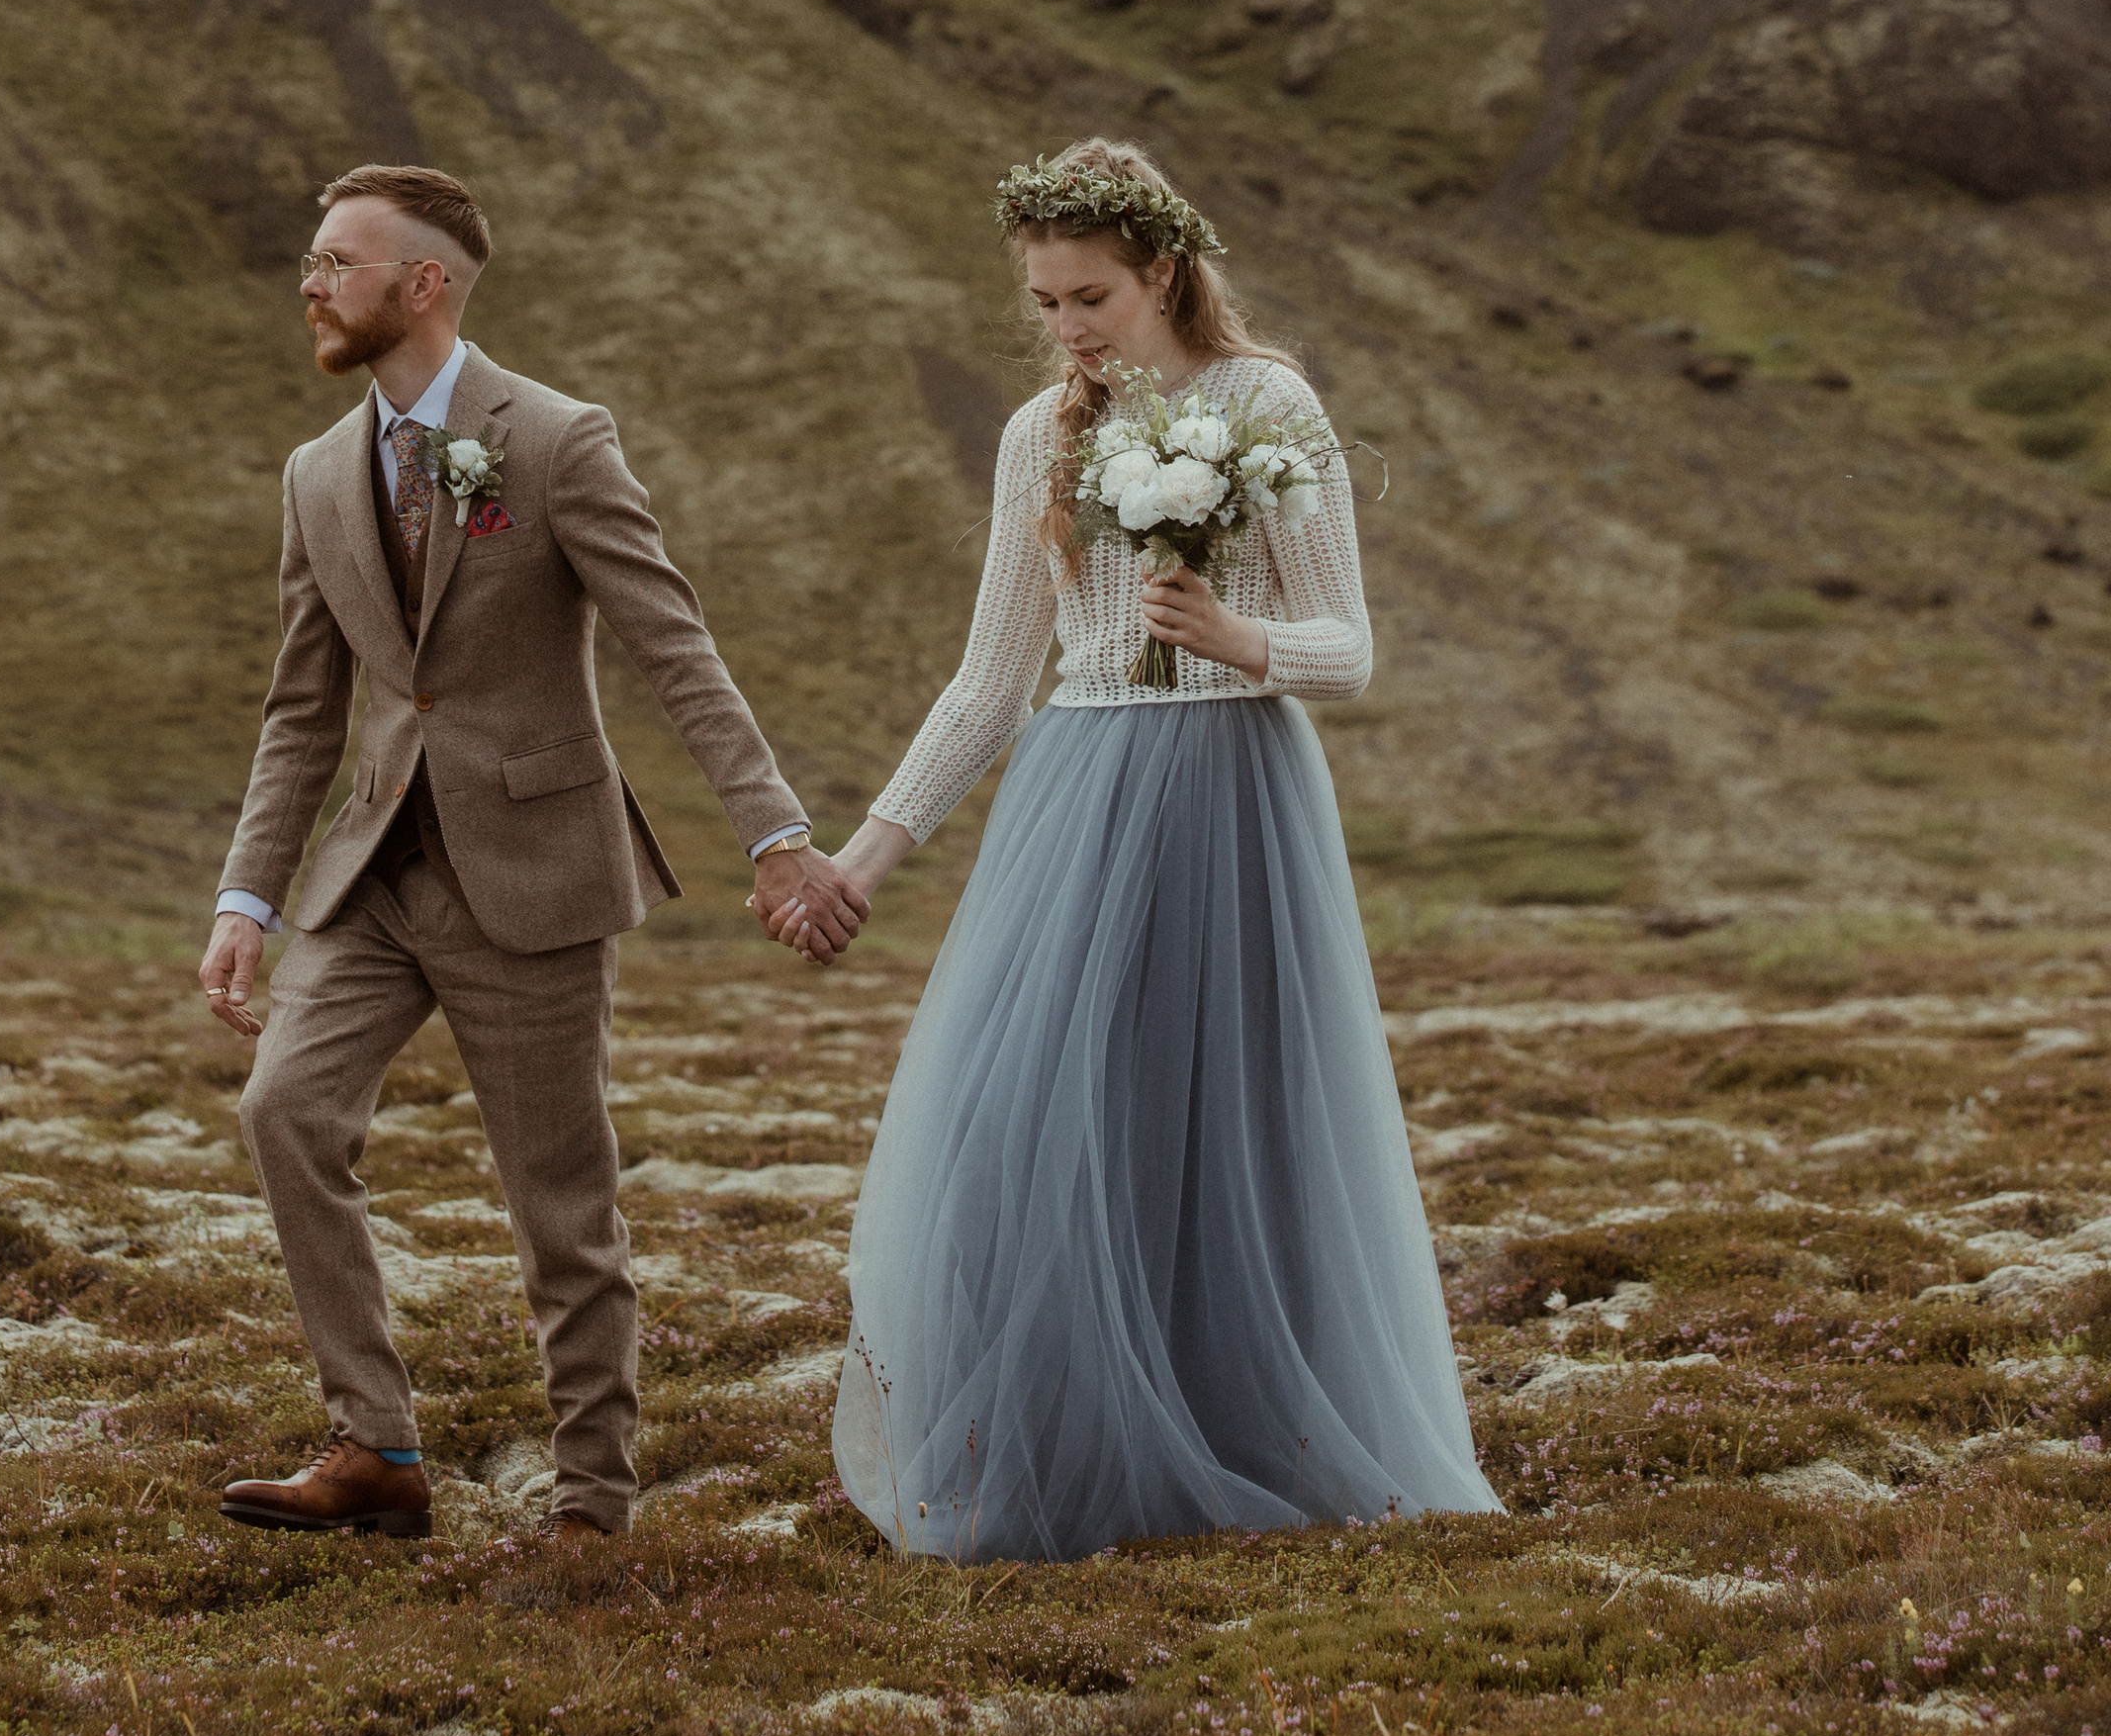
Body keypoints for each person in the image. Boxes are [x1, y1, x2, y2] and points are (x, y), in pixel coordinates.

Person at [793, 137, 1499, 1561]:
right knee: (1037, 1128)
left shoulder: (1268, 402)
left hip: (1236, 793)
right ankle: (1050, 1450)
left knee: (1228, 1123)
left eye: (1091, 299)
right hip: (1078, 790)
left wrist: (1243, 642)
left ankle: (1248, 1436)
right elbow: (991, 681)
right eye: (1045, 302)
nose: (1066, 329)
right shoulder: (1031, 435)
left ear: (1164, 273)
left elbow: (1349, 647)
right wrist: (865, 859)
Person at [199, 160, 865, 1549]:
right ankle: (374, 1448)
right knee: (283, 1111)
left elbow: (672, 647)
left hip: (539, 871)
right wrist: (248, 895)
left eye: (338, 261)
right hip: (372, 875)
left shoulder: (557, 439)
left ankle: (592, 1501)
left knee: (560, 1205)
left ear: (421, 282)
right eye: (314, 261)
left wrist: (779, 836)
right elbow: (300, 709)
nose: (310, 283)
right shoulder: (316, 473)